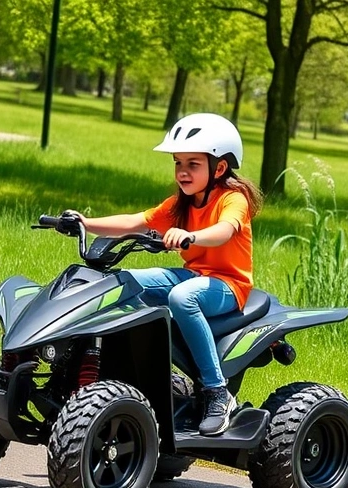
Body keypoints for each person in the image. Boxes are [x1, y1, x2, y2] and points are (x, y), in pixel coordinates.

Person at [68, 113, 263, 436]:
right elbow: (136, 222)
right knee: (122, 282)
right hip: (193, 275)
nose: (183, 172)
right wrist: (84, 222)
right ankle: (119, 374)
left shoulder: (233, 199)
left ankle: (216, 392)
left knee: (182, 298)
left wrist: (191, 237)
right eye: (178, 163)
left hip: (229, 285)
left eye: (193, 164)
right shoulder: (181, 204)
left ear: (220, 168)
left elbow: (224, 231)